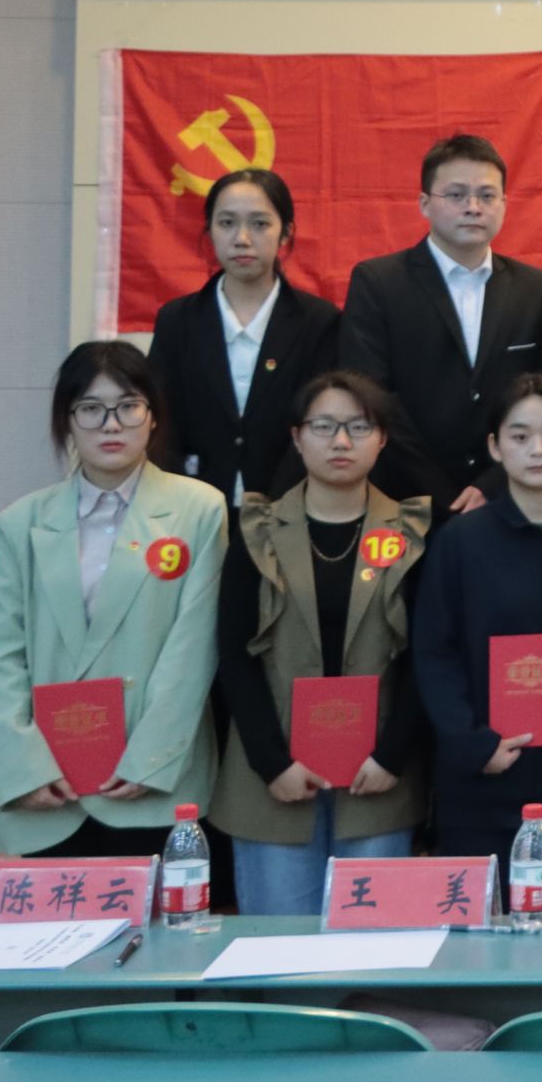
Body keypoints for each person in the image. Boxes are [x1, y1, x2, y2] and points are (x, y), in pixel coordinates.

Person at [0, 342, 228, 856]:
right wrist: (25, 768)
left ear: (153, 417)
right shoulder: (20, 523)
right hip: (50, 785)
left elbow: (193, 649)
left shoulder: (199, 509)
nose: (111, 425)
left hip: (154, 781)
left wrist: (151, 758)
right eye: (90, 408)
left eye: (128, 406)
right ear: (66, 421)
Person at [210, 370, 430, 914]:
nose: (341, 441)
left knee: (372, 950)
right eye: (324, 426)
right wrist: (271, 763)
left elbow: (428, 657)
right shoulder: (257, 532)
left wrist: (391, 756)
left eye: (359, 426)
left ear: (382, 438)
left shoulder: (414, 532)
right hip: (273, 778)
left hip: (377, 778)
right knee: (280, 950)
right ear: (296, 436)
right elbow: (233, 655)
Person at [410, 373, 542, 901]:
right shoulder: (459, 542)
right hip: (482, 779)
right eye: (520, 436)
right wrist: (472, 742)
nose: (537, 450)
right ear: (495, 446)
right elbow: (434, 651)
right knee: (482, 927)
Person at [340, 134, 542, 511]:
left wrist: (493, 481)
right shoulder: (379, 282)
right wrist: (439, 493)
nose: (473, 207)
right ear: (424, 203)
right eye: (456, 195)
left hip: (504, 493)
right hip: (403, 499)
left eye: (487, 196)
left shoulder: (533, 288)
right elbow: (371, 395)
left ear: (505, 204)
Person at [146, 167, 340, 510]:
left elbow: (322, 424)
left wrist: (277, 507)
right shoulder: (177, 320)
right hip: (192, 510)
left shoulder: (318, 321)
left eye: (260, 223)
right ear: (209, 230)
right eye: (227, 223)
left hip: (292, 511)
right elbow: (160, 423)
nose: (242, 238)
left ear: (286, 232)